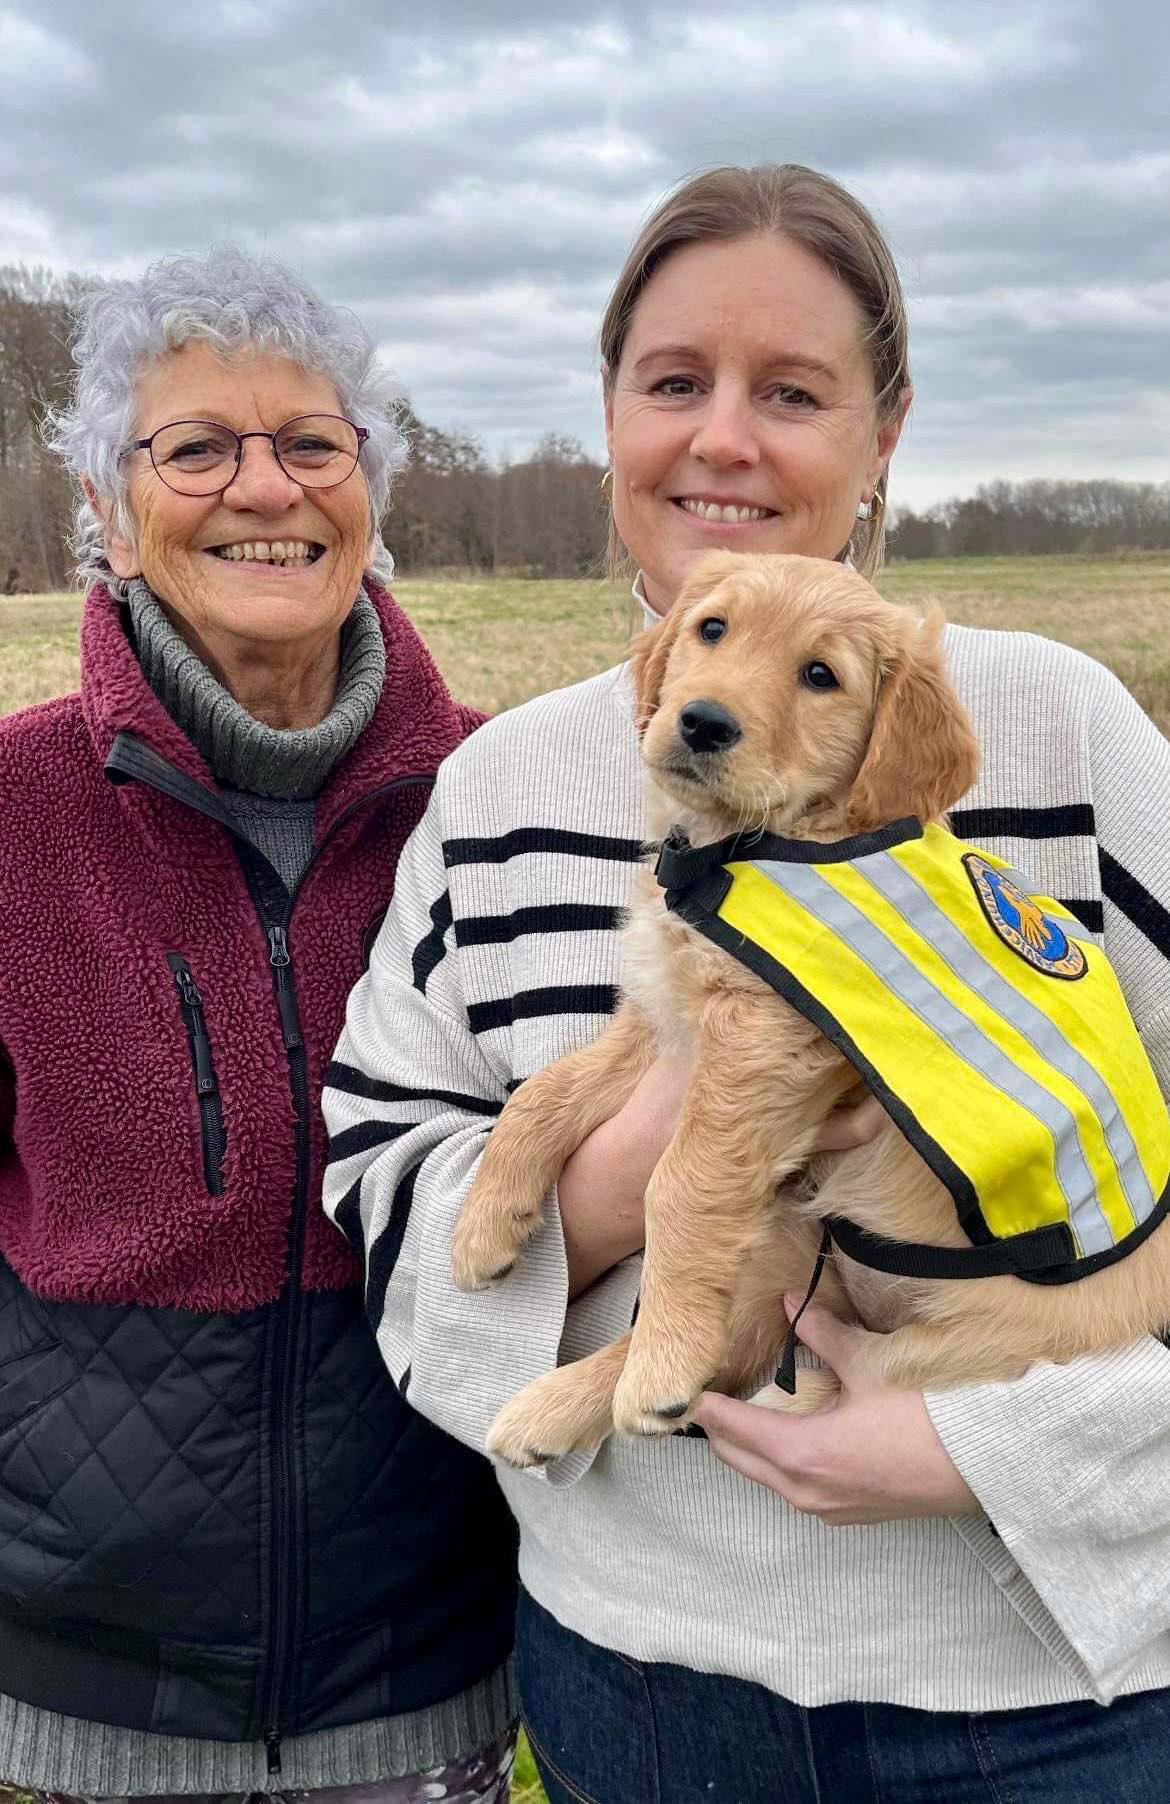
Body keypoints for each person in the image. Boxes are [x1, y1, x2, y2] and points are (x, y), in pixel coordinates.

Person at [322, 166, 1170, 1802]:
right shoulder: (495, 787)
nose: (723, 439)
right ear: (610, 415)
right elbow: (381, 1192)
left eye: (790, 390)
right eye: (672, 382)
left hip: (1040, 1693)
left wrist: (1004, 1450)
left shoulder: (1058, 731)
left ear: (884, 431)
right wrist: (634, 1153)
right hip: (632, 1680)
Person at [0, 246, 519, 1804]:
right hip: (76, 1694)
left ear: (369, 485)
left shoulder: (504, 798)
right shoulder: (13, 811)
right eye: (196, 447)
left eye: (310, 441)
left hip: (427, 1667)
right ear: (107, 504)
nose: (262, 488)